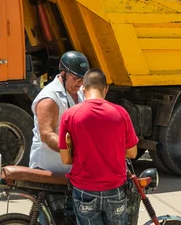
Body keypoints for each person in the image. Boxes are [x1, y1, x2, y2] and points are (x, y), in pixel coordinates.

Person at [59, 69, 138, 225]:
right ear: (106, 88)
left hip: (84, 190)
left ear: (83, 87)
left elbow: (66, 159)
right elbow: (132, 153)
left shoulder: (70, 115)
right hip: (114, 188)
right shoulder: (121, 113)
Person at [29, 51, 89, 173]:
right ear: (63, 73)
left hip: (72, 169)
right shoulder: (49, 99)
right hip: (49, 168)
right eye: (76, 78)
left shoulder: (81, 93)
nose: (80, 83)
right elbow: (47, 134)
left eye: (83, 79)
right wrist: (75, 151)